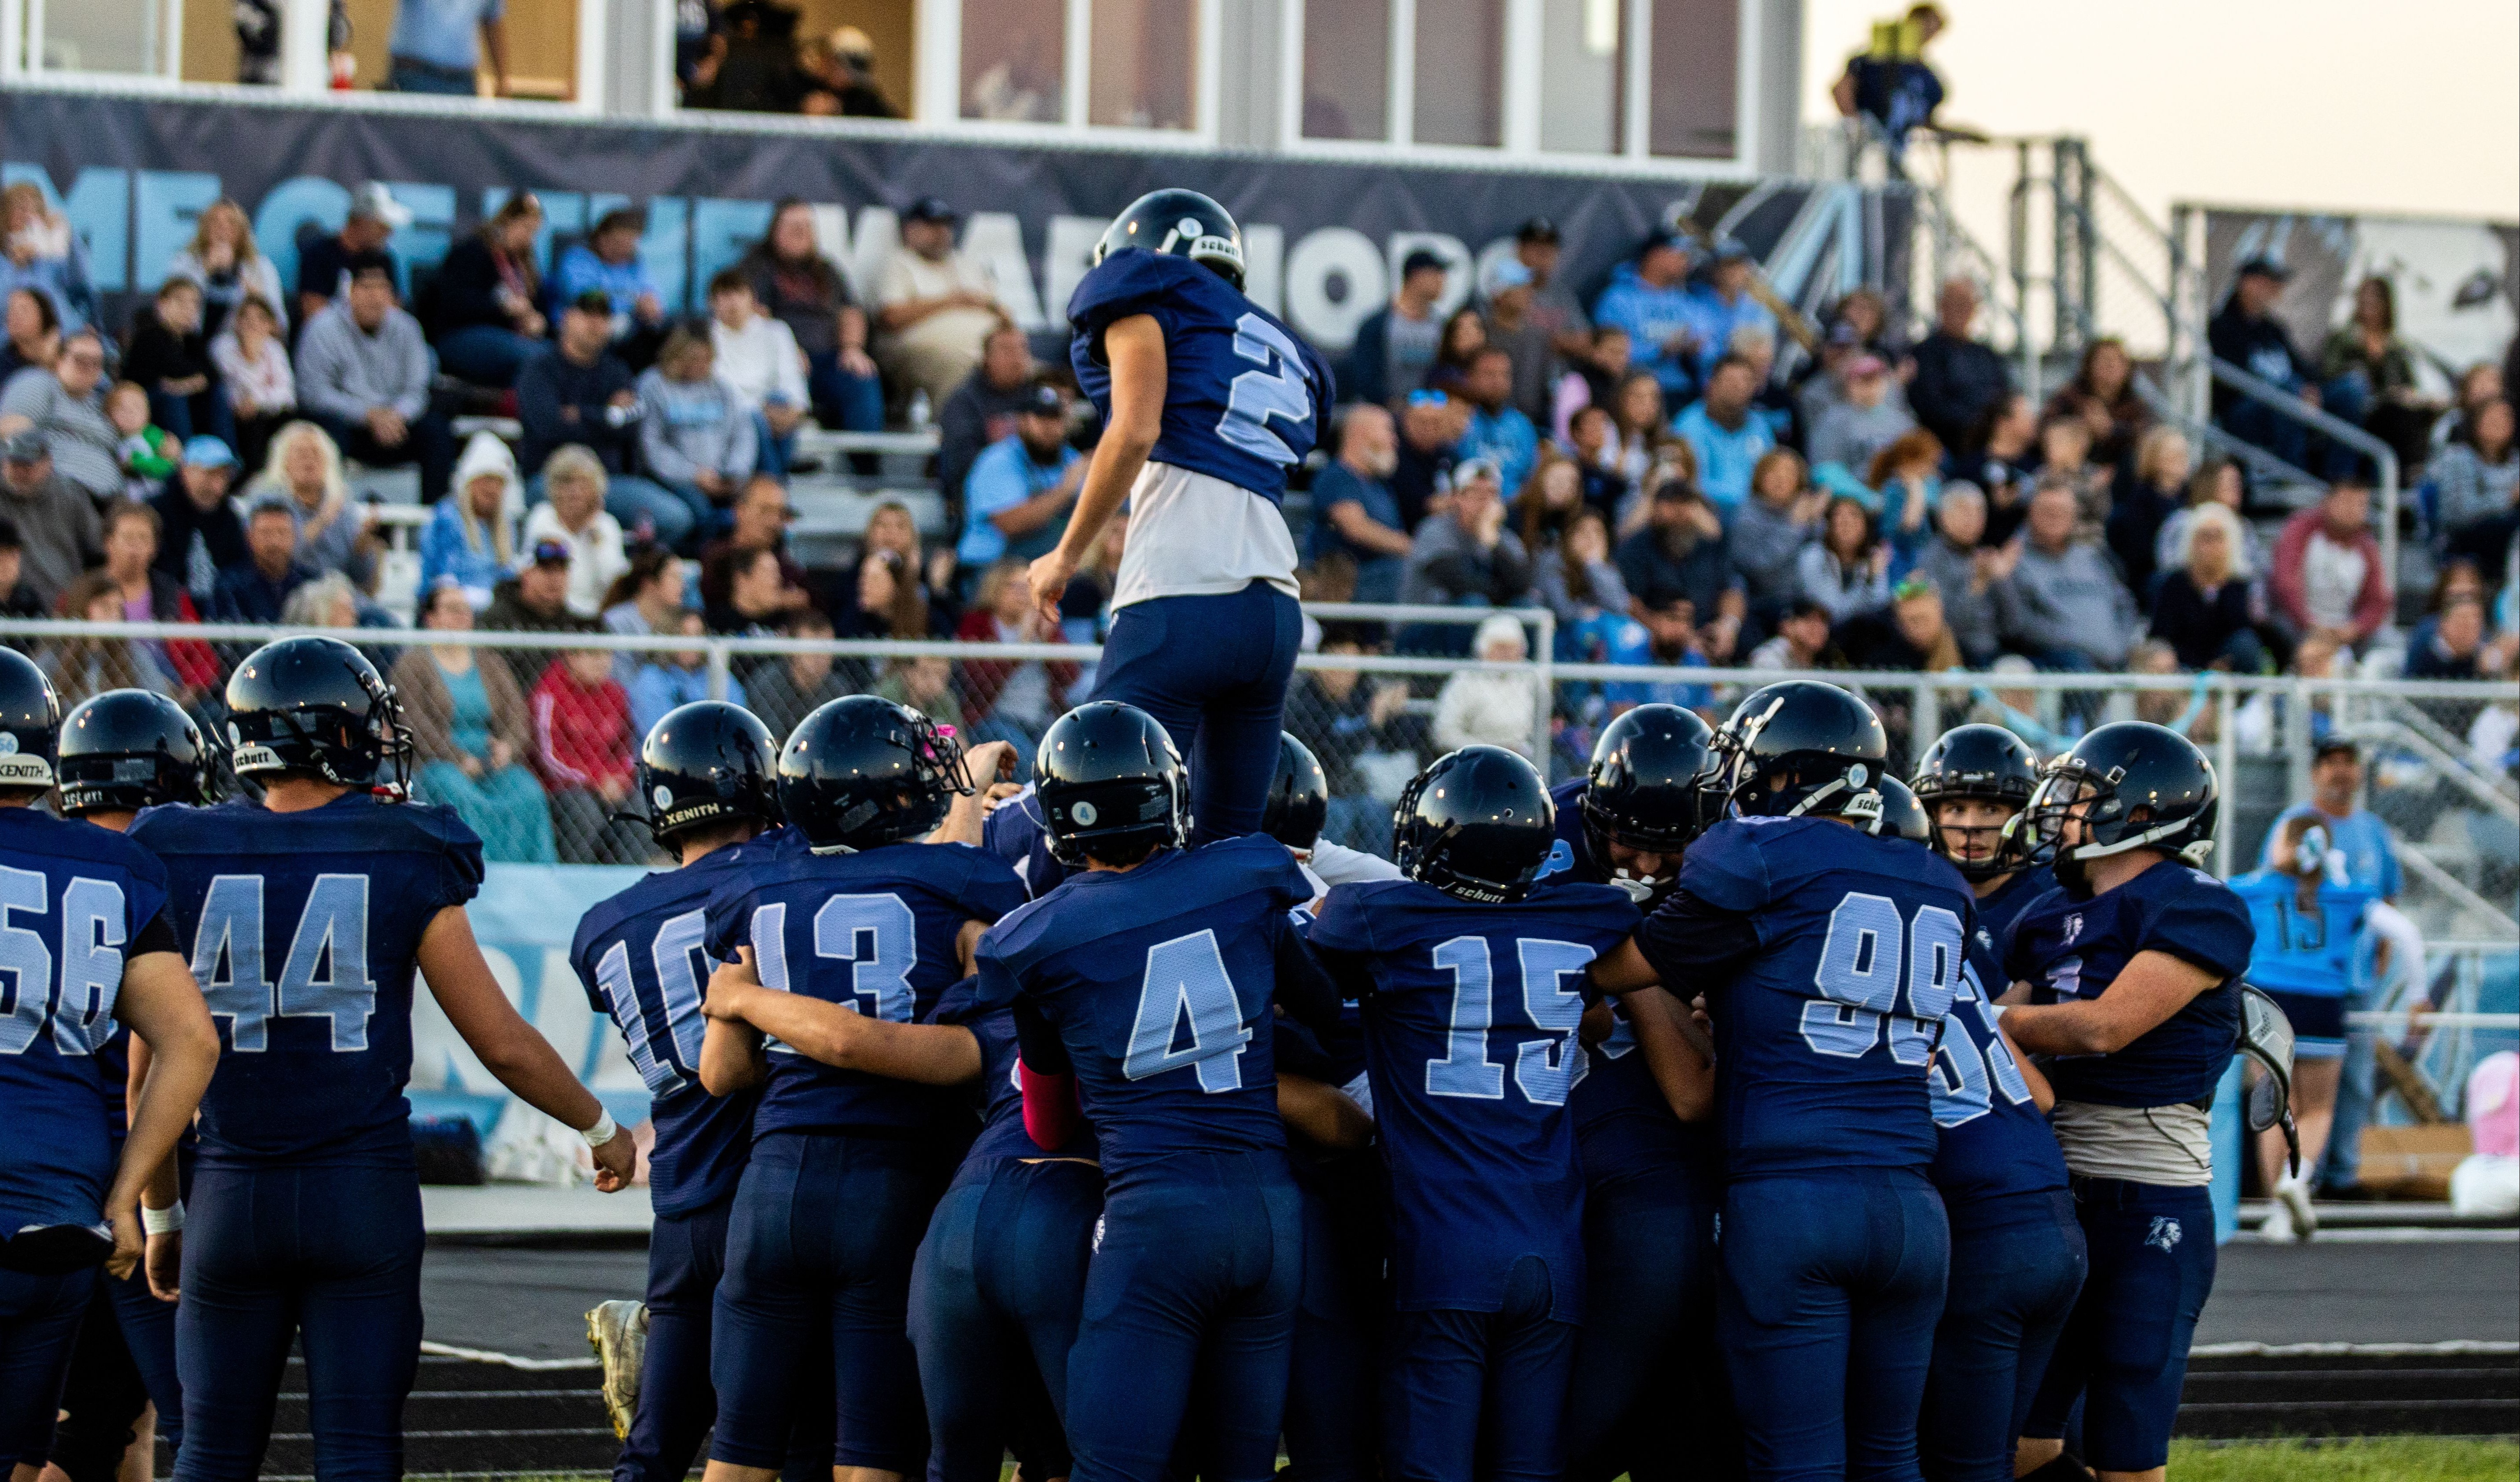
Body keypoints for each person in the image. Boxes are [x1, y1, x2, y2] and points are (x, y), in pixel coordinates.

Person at [133, 636, 636, 1478]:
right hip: (359, 1193)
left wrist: (163, 1216)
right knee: (361, 1455)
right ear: (342, 735)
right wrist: (599, 1125)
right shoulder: (405, 843)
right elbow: (502, 1042)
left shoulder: (175, 845)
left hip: (230, 1193)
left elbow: (152, 1071)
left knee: (212, 1454)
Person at [1588, 680, 1971, 1479]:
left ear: (1792, 776)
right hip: (1911, 1200)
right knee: (1890, 1454)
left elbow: (1629, 966)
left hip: (1794, 1198)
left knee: (1796, 1460)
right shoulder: (1935, 876)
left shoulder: (1760, 854)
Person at [972, 701, 1339, 1482]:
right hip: (1269, 1214)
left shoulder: (1035, 939)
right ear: (1168, 794)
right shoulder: (1248, 874)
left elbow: (1046, 1122)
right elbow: (1328, 1018)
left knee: (1113, 1467)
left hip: (1157, 1220)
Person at [696, 696, 1024, 1482]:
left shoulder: (758, 886)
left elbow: (723, 1073)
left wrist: (758, 1006)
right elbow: (975, 1051)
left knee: (739, 1451)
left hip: (772, 1186)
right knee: (873, 1453)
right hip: (896, 1180)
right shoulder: (960, 881)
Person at [1307, 746, 1649, 1480]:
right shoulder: (1585, 918)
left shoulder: (1378, 915)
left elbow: (1316, 949)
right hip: (1552, 1251)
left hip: (1445, 1246)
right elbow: (1628, 937)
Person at [1026, 189, 1334, 842]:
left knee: (1092, 818)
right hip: (1275, 610)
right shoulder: (1274, 341)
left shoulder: (1147, 288)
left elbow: (1135, 428)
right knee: (1229, 855)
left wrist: (1066, 554)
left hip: (1183, 593)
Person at [1998, 723, 2255, 1482]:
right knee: (2012, 1442)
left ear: (2142, 814)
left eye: (2083, 796)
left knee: (2127, 1451)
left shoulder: (2197, 904)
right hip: (2052, 1188)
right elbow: (1995, 1021)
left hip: (2150, 1199)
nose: (2061, 808)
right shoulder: (2046, 910)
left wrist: (1990, 1020)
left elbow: (2107, 1027)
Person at [0, 655, 221, 1482]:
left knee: (88, 1431)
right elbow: (189, 1042)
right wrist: (132, 1199)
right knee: (96, 1433)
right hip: (79, 1201)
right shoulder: (124, 871)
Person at [570, 703, 786, 1480]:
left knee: (659, 1444)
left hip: (682, 1198)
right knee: (796, 1427)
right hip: (763, 1182)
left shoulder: (603, 926)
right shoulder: (776, 878)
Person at [1529, 705, 1723, 1482]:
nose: (1644, 866)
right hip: (1557, 1097)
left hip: (1654, 1120)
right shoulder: (1551, 831)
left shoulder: (1733, 850)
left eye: (1664, 850)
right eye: (1628, 844)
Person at [1908, 722, 2086, 1482]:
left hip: (2031, 1150)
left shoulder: (2050, 904)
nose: (1970, 825)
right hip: (1970, 1165)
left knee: (2028, 1429)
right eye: (1954, 808)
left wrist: (1995, 1016)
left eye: (1988, 809)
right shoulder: (1915, 883)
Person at [2232, 814, 2384, 1243]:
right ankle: (2297, 1183)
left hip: (2268, 1001)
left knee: (2276, 1107)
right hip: (2321, 1003)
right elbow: (2402, 934)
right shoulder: (2346, 893)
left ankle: (2275, 1211)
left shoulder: (2252, 887)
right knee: (2317, 1108)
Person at [393, 579, 557, 863]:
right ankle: (473, 871)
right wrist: (457, 758)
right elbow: (414, 723)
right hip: (439, 761)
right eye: (452, 609)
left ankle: (533, 880)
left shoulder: (490, 662)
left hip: (492, 759)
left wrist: (508, 747)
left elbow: (517, 714)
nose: (462, 616)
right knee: (457, 794)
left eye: (466, 610)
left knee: (528, 791)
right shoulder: (413, 664)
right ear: (430, 618)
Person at [517, 291, 688, 546]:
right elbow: (548, 426)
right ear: (566, 318)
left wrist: (579, 414)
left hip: (609, 484)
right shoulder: (539, 368)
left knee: (676, 518)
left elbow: (631, 427)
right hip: (552, 479)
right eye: (587, 314)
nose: (596, 323)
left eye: (603, 316)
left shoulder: (617, 370)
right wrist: (607, 416)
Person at [294, 254, 455, 501]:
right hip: (348, 425)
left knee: (436, 431)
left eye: (381, 288)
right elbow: (314, 394)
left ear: (393, 296)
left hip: (397, 425)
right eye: (365, 287)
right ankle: (329, 511)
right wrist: (368, 415)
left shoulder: (408, 328)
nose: (373, 296)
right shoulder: (322, 329)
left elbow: (417, 389)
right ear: (350, 292)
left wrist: (396, 415)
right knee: (326, 431)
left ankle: (434, 520)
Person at [737, 198, 883, 434]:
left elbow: (851, 311)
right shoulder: (757, 268)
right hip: (777, 362)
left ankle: (865, 461)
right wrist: (787, 350)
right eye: (793, 226)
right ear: (775, 231)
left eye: (806, 226)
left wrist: (852, 348)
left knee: (861, 378)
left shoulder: (827, 270)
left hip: (828, 360)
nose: (801, 232)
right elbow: (750, 313)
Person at [876, 197, 1012, 410]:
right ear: (910, 230)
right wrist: (952, 301)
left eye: (946, 226)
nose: (941, 233)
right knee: (962, 364)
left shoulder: (965, 263)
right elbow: (891, 318)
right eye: (932, 226)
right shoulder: (899, 263)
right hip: (933, 354)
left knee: (1034, 371)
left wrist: (990, 307)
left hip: (987, 350)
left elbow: (1006, 315)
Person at [1997, 481, 2139, 671]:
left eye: (2063, 511)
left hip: (2115, 657)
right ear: (2031, 514)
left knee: (2159, 661)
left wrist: (2120, 643)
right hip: (2063, 665)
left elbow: (2125, 605)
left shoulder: (2091, 557)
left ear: (2074, 516)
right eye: (2048, 510)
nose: (2055, 517)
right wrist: (2078, 641)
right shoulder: (2015, 561)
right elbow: (2018, 626)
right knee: (2078, 667)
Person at [637, 324, 757, 538]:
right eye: (694, 359)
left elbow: (743, 435)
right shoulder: (654, 386)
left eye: (706, 359)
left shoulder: (722, 389)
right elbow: (652, 447)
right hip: (675, 480)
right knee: (702, 514)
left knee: (754, 511)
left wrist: (735, 472)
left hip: (723, 477)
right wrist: (694, 475)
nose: (701, 366)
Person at [530, 643, 644, 864]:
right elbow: (549, 757)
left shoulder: (616, 693)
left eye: (607, 653)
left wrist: (619, 779)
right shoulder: (549, 692)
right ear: (571, 657)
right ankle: (577, 884)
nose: (602, 661)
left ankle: (625, 885)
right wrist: (596, 781)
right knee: (585, 812)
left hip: (610, 784)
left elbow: (627, 749)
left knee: (640, 809)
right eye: (592, 654)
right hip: (564, 787)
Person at [957, 379, 1082, 573]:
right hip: (987, 569)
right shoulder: (999, 459)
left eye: (1055, 418)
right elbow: (1010, 524)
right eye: (1041, 418)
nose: (1049, 427)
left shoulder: (1070, 457)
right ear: (1023, 421)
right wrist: (1065, 491)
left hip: (1043, 567)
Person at [2208, 258, 2320, 468]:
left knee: (2349, 390)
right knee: (2289, 392)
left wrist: (2311, 387)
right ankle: (2291, 473)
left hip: (2290, 404)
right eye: (2268, 282)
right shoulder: (2221, 327)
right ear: (2247, 284)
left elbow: (2304, 368)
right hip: (2245, 411)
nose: (2276, 289)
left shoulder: (2274, 330)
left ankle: (2343, 479)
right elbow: (2229, 385)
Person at [432, 192, 547, 386]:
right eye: (527, 230)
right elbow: (454, 303)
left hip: (508, 337)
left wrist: (537, 321)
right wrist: (502, 307)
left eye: (535, 233)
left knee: (555, 355)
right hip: (462, 334)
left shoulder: (524, 264)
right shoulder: (473, 251)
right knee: (533, 356)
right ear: (508, 221)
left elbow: (536, 306)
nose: (530, 240)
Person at [705, 268, 809, 476]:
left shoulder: (777, 331)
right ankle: (776, 482)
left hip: (772, 409)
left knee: (781, 402)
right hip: (733, 414)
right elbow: (721, 388)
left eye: (739, 294)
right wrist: (760, 411)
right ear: (712, 303)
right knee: (754, 420)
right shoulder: (707, 337)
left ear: (753, 299)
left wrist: (794, 412)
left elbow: (792, 382)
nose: (733, 303)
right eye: (725, 296)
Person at [1306, 403, 1410, 605]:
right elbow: (1356, 528)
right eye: (1388, 431)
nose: (1395, 441)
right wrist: (1415, 549)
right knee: (1406, 573)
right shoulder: (1337, 476)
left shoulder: (1381, 486)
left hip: (1381, 576)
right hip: (1346, 583)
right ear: (1360, 433)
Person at [2269, 476, 2389, 651]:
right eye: (2347, 502)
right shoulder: (2300, 531)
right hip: (2300, 624)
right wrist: (2309, 623)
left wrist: (2355, 628)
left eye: (2361, 505)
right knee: (2280, 627)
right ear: (2327, 502)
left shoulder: (2367, 547)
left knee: (2387, 641)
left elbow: (2378, 601)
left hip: (2346, 630)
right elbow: (2285, 583)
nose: (2353, 510)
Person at [0, 326, 119, 502]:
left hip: (109, 500)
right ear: (60, 360)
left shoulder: (101, 404)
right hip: (57, 496)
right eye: (81, 360)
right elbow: (13, 430)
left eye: (96, 363)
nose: (89, 367)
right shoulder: (40, 382)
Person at [1398, 456, 1531, 612]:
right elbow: (1462, 585)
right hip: (1425, 623)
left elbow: (1522, 587)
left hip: (1480, 619)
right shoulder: (1434, 530)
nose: (1484, 501)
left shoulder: (1505, 540)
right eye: (1475, 492)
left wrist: (1492, 543)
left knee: (1524, 607)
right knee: (1474, 604)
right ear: (1457, 498)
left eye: (1491, 493)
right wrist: (1503, 594)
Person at [2150, 501, 2263, 673]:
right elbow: (2162, 635)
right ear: (2191, 542)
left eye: (2218, 537)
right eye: (2205, 537)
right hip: (2182, 668)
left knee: (2246, 643)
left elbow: (2242, 631)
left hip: (2228, 670)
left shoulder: (2239, 586)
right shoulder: (2174, 584)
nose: (2212, 546)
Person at [522, 445, 631, 618]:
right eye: (567, 482)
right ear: (554, 488)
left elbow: (615, 582)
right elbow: (544, 579)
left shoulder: (607, 525)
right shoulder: (543, 518)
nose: (575, 491)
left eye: (583, 483)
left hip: (601, 616)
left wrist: (596, 536)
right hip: (556, 615)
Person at [938, 324, 1038, 511]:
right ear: (986, 358)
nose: (1017, 358)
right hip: (981, 502)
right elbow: (962, 465)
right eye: (1007, 350)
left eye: (1022, 349)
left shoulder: (1038, 397)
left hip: (1036, 497)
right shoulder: (963, 403)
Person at [1831, 2, 1947, 163]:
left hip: (1897, 152)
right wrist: (1857, 125)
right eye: (1925, 25)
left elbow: (1925, 116)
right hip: (1867, 151)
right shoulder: (1870, 63)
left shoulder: (1925, 76)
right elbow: (1841, 89)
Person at [1592, 229, 1699, 404]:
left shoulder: (1682, 300)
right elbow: (1607, 355)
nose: (1685, 261)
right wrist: (1660, 351)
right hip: (1630, 393)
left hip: (1679, 392)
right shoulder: (1618, 299)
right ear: (1656, 255)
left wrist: (1696, 347)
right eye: (1679, 254)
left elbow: (1703, 339)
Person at [420, 431, 524, 608]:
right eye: (486, 480)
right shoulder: (447, 517)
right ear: (469, 482)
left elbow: (506, 575)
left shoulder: (506, 525)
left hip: (495, 613)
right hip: (453, 606)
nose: (492, 489)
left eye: (499, 482)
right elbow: (441, 577)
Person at [482, 539, 601, 693]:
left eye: (561, 570)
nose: (555, 578)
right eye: (547, 569)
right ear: (526, 573)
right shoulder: (496, 620)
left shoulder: (578, 625)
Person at [124, 276, 230, 447]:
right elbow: (164, 375)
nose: (189, 309)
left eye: (194, 304)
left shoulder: (192, 341)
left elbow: (212, 375)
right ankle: (184, 463)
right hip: (148, 404)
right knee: (173, 398)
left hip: (186, 403)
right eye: (181, 302)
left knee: (217, 393)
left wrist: (184, 385)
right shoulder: (148, 335)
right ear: (162, 304)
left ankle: (225, 458)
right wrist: (193, 382)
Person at [0, 428, 101, 608]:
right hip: (9, 604)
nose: (21, 473)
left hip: (64, 605)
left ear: (48, 464)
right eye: (15, 465)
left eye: (28, 466)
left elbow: (98, 549)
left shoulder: (70, 495)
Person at [556, 210, 670, 367]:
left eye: (631, 243)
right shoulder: (578, 258)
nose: (626, 249)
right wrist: (633, 304)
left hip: (631, 337)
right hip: (588, 334)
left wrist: (651, 306)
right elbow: (588, 299)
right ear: (602, 238)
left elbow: (653, 295)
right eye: (620, 242)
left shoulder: (635, 265)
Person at [1910, 278, 2010, 453]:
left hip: (1990, 442)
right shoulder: (1924, 354)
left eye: (1965, 305)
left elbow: (2004, 396)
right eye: (1952, 304)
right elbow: (1931, 407)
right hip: (1946, 447)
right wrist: (1974, 423)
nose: (1959, 311)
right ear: (1939, 306)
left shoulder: (1986, 354)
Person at [149, 436, 246, 604]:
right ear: (186, 471)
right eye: (210, 474)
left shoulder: (230, 518)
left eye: (223, 476)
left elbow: (237, 568)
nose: (217, 485)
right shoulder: (157, 512)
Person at [170, 197, 286, 339]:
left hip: (238, 348)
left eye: (231, 223)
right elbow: (168, 311)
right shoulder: (185, 261)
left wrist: (257, 299)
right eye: (215, 222)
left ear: (242, 233)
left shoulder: (261, 268)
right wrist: (204, 271)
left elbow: (280, 326)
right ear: (204, 229)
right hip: (190, 343)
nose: (223, 229)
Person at [294, 184, 409, 325]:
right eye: (382, 226)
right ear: (360, 222)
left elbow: (394, 312)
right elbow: (313, 312)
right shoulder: (318, 255)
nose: (388, 233)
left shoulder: (384, 259)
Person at [1674, 354, 1775, 514]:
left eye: (1745, 381)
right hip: (1705, 511)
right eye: (1731, 381)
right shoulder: (1688, 425)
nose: (1739, 387)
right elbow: (1687, 483)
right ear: (1712, 385)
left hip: (1755, 516)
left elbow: (1770, 477)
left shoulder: (1760, 426)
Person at [696, 475, 811, 617]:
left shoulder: (789, 568)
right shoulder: (717, 558)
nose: (774, 521)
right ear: (740, 511)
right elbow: (713, 599)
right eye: (765, 511)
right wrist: (776, 601)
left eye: (780, 513)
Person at [1344, 248, 1447, 405]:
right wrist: (1392, 404)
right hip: (1385, 414)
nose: (1443, 280)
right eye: (1437, 273)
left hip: (1430, 415)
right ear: (1417, 276)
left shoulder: (1443, 326)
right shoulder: (1377, 325)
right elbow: (1365, 377)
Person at [1431, 612, 1541, 758]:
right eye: (1500, 647)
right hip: (1475, 759)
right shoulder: (1465, 679)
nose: (1506, 654)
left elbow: (1545, 728)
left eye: (1512, 648)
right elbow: (1444, 733)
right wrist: (1491, 750)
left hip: (1525, 757)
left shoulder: (1531, 678)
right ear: (1483, 649)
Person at [210, 294, 295, 473]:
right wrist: (251, 357)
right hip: (234, 415)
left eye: (261, 318)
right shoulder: (222, 348)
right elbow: (236, 390)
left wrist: (258, 401)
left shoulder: (275, 349)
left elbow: (287, 394)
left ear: (271, 325)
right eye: (246, 318)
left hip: (266, 412)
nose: (253, 324)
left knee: (288, 421)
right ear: (237, 322)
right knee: (254, 424)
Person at [2105, 426, 2191, 601]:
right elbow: (2140, 556)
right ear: (2155, 459)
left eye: (2184, 454)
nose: (2182, 460)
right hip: (2152, 579)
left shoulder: (2191, 498)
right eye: (2174, 454)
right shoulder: (2140, 501)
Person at [2432, 397, 2518, 569]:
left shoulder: (2516, 460)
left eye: (2505, 417)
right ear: (2476, 423)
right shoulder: (2457, 458)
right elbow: (2459, 514)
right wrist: (2509, 498)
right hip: (2467, 538)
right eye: (2492, 417)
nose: (2500, 423)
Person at [0, 180, 96, 332]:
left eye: (33, 208)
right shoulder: (5, 266)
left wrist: (67, 235)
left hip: (62, 338)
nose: (26, 215)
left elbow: (81, 286)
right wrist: (16, 266)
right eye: (19, 208)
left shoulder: (54, 260)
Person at [628, 610, 739, 739]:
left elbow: (738, 721)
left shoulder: (717, 675)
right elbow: (658, 734)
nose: (693, 643)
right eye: (685, 634)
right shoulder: (651, 679)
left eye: (698, 634)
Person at [743, 608, 852, 739]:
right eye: (811, 649)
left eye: (827, 648)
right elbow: (770, 742)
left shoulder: (838, 687)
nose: (820, 657)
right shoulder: (769, 682)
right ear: (792, 650)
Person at [2044, 337, 2148, 472]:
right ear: (2090, 365)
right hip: (2074, 465)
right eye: (2104, 360)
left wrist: (2111, 429)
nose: (2110, 367)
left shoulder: (2133, 403)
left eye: (2117, 362)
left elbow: (2144, 435)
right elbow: (2047, 424)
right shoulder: (2072, 395)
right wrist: (2081, 426)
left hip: (2117, 470)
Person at [209, 497, 316, 624]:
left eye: (282, 533)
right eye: (266, 533)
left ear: (295, 537)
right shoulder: (229, 587)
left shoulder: (311, 584)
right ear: (250, 537)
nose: (275, 542)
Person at [1809, 353, 1917, 476]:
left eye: (1875, 379)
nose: (1870, 386)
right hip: (1850, 493)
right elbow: (1823, 470)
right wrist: (1863, 494)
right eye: (1863, 380)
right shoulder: (1833, 420)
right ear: (1848, 384)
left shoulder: (1902, 421)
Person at [1796, 493, 1893, 626]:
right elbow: (1833, 612)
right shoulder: (1812, 555)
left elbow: (1879, 605)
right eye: (1838, 515)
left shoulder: (1873, 558)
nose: (1847, 521)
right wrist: (1869, 583)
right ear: (1829, 526)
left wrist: (1874, 579)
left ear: (1866, 527)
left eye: (1854, 515)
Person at [1481, 258, 1556, 425]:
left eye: (1528, 288)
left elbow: (1546, 389)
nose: (1528, 293)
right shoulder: (1480, 334)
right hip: (1487, 425)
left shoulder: (1539, 338)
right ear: (1500, 295)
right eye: (1519, 288)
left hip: (1531, 427)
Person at [1457, 346, 1539, 494]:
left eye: (1504, 375)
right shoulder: (1457, 420)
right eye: (1489, 374)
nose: (1498, 382)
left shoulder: (1522, 425)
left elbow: (1532, 475)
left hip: (1516, 507)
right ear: (1469, 378)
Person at [1746, 595, 1839, 672]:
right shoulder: (1768, 658)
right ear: (1787, 626)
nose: (1818, 628)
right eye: (1809, 620)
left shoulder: (1831, 657)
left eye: (1823, 622)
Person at [0, 286, 60, 383]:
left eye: (24, 310)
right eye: (11, 310)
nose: (16, 316)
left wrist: (51, 362)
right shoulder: (4, 362)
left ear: (44, 316)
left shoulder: (66, 354)